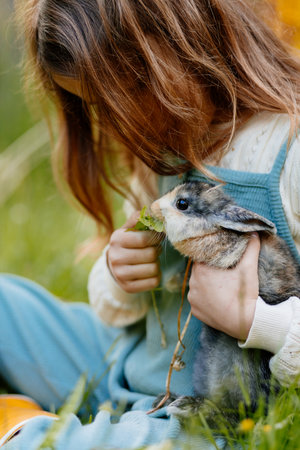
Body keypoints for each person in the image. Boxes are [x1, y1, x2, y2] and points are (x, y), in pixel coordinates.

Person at [1, 0, 300, 448]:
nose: (123, 129)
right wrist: (119, 273)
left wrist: (254, 320)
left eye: (126, 99)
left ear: (184, 44)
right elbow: (122, 309)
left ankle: (22, 427)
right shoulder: (167, 145)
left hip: (207, 416)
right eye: (99, 108)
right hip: (123, 362)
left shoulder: (287, 152)